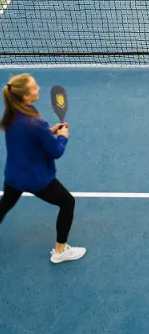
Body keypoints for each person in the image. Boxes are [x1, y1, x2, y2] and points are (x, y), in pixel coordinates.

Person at [0, 74, 86, 264]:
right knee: (67, 203)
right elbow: (56, 151)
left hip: (14, 174)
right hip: (35, 178)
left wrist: (50, 131)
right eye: (34, 87)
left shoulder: (13, 113)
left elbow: (29, 136)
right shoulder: (35, 122)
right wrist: (62, 136)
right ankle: (60, 251)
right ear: (25, 96)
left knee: (5, 204)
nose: (38, 88)